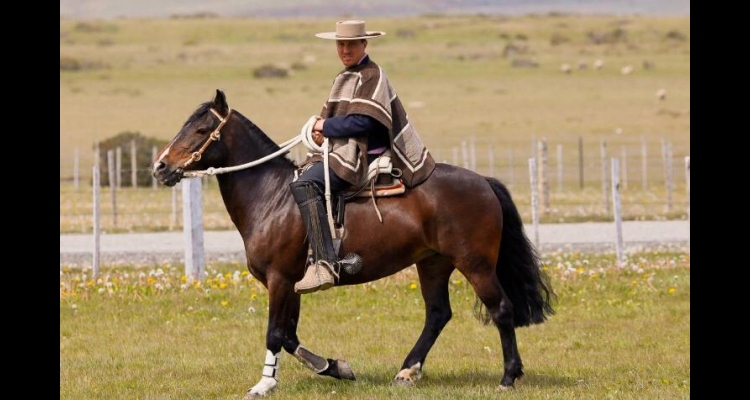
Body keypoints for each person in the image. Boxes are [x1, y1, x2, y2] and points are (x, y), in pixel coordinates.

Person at [289, 20, 436, 294]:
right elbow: (341, 119)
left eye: (351, 44)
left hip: (361, 156)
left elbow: (364, 124)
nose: (345, 49)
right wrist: (323, 135)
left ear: (364, 44)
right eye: (340, 44)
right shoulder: (345, 76)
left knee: (304, 184)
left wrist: (324, 127)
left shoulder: (372, 75)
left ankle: (324, 263)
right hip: (343, 148)